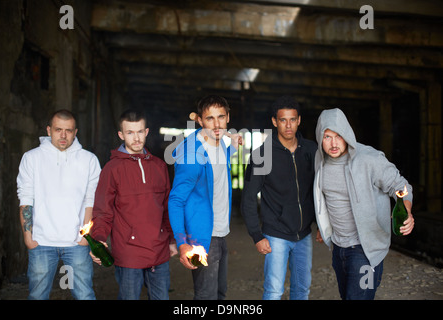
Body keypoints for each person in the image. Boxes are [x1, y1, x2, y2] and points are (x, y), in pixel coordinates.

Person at [314, 108, 415, 300]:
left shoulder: (370, 158)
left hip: (365, 252)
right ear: (320, 137)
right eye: (327, 137)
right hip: (338, 249)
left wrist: (407, 210)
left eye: (338, 135)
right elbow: (325, 199)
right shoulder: (320, 161)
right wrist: (323, 225)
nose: (334, 143)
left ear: (347, 134)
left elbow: (401, 186)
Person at [90, 109, 176, 300]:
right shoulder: (112, 169)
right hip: (128, 252)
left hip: (159, 249)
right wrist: (99, 238)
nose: (136, 138)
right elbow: (103, 211)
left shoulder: (159, 166)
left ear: (146, 132)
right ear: (121, 135)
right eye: (130, 133)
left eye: (139, 132)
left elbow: (167, 207)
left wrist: (171, 239)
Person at [17, 109, 100, 300]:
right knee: (37, 296)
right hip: (41, 241)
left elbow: (91, 199)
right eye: (58, 130)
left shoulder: (89, 160)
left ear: (75, 132)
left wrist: (84, 237)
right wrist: (28, 238)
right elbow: (26, 198)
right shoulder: (31, 158)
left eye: (68, 131)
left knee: (85, 295)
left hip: (76, 242)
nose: (63, 135)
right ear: (48, 130)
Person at [241, 95, 317, 300]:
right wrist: (256, 235)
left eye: (292, 119)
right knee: (274, 290)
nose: (288, 125)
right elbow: (248, 198)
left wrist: (322, 224)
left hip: (304, 235)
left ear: (299, 120)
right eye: (283, 120)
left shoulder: (312, 150)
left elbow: (321, 189)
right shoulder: (261, 155)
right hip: (276, 234)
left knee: (302, 289)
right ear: (275, 122)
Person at [168, 95, 242, 300]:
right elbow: (176, 201)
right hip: (203, 236)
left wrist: (233, 146)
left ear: (228, 117)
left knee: (219, 294)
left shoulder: (218, 143)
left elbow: (216, 167)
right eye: (210, 118)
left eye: (221, 117)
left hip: (219, 232)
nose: (217, 124)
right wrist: (182, 242)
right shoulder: (192, 155)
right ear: (200, 121)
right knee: (206, 296)